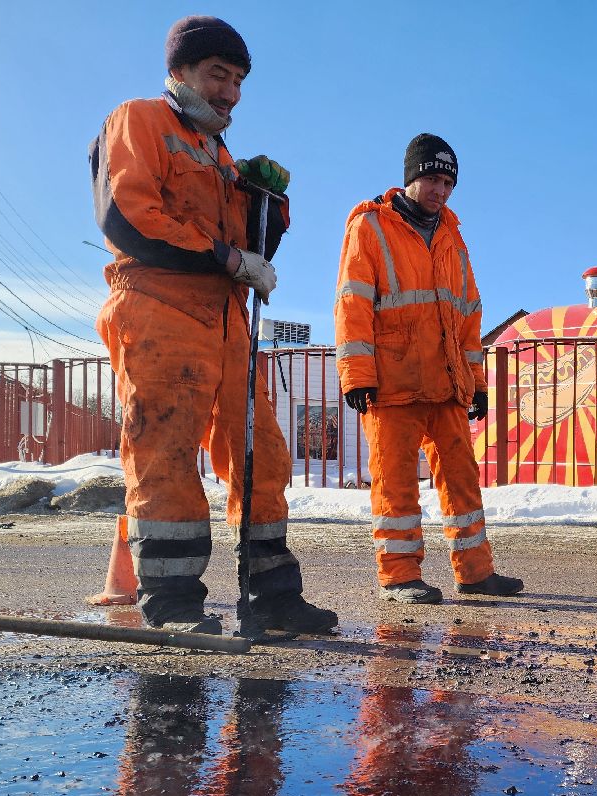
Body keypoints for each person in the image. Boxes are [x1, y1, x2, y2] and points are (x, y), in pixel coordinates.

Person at [91, 16, 337, 635]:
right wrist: (228, 258)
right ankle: (171, 601)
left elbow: (253, 250)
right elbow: (128, 214)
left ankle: (274, 592)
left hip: (228, 325)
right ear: (179, 73)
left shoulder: (220, 156)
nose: (229, 92)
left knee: (260, 455)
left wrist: (267, 207)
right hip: (159, 311)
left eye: (237, 81)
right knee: (166, 451)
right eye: (216, 75)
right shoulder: (140, 120)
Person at [334, 133, 523, 604]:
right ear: (411, 178)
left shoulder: (453, 237)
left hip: (446, 383)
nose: (440, 190)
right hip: (392, 383)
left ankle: (476, 573)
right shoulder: (370, 228)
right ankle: (399, 576)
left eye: (448, 183)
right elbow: (352, 303)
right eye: (432, 179)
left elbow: (468, 315)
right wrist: (357, 374)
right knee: (394, 479)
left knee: (462, 477)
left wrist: (476, 383)